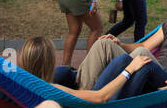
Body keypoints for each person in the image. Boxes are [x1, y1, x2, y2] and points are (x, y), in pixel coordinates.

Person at [16, 36, 151, 103]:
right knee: (129, 59)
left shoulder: (19, 80)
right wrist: (129, 70)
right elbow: (100, 97)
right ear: (48, 64)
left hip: (78, 85)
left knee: (103, 44)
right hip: (90, 102)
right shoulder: (50, 89)